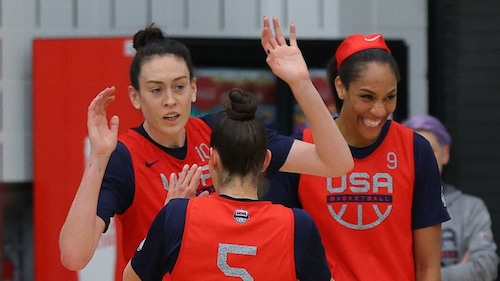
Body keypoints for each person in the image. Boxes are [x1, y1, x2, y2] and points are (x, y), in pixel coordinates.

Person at [59, 17, 353, 280]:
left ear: (194, 89)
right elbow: (74, 256)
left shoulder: (220, 131)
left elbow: (336, 163)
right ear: (135, 97)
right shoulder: (126, 156)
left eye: (179, 86)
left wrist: (300, 82)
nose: (170, 100)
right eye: (156, 90)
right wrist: (99, 157)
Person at [263, 32, 451, 281]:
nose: (379, 110)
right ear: (340, 87)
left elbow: (428, 266)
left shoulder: (416, 150)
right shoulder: (301, 150)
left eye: (390, 97)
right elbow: (278, 250)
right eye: (367, 97)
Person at [122, 88, 335, 281]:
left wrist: (170, 214)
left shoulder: (178, 215)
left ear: (212, 158)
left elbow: (131, 279)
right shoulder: (297, 224)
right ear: (266, 161)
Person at [403, 114, 499, 281]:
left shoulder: (471, 208)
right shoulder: (387, 208)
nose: (421, 159)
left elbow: (485, 268)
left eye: (429, 150)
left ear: (445, 153)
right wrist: (460, 272)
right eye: (413, 151)